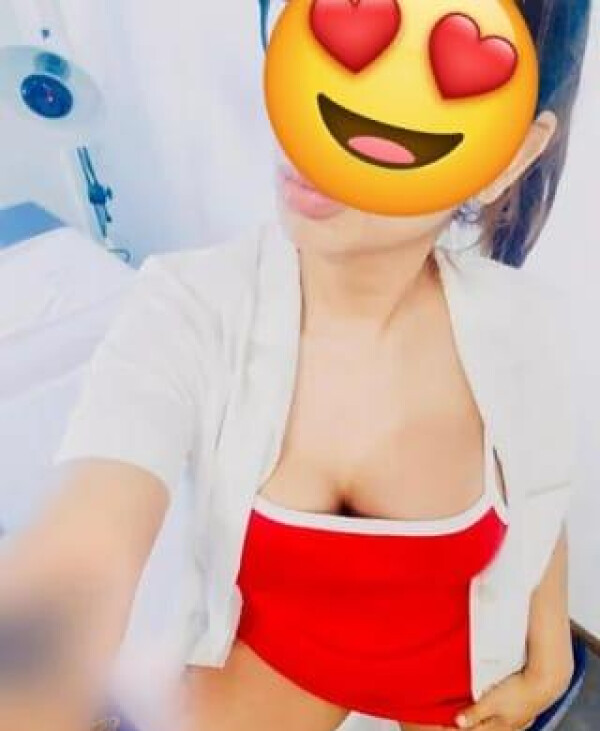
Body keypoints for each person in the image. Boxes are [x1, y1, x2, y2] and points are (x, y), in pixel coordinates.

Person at [0, 1, 591, 730]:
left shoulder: (521, 326)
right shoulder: (186, 309)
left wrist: (549, 651)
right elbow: (79, 557)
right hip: (279, 662)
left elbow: (535, 486)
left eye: (418, 77)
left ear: (509, 156)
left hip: (457, 680)